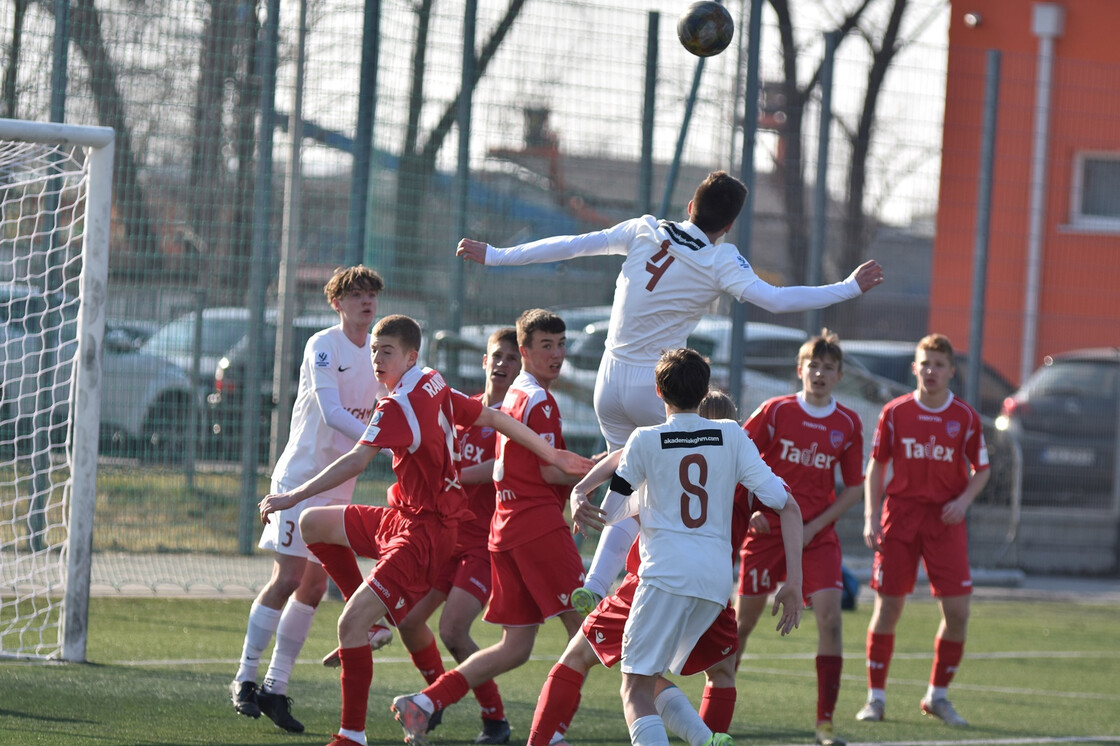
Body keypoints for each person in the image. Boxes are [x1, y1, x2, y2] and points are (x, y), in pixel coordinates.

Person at [455, 169, 884, 618]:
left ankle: (596, 582)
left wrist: (496, 255)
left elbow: (572, 243)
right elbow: (776, 300)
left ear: (689, 207)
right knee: (661, 488)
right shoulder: (721, 260)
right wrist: (848, 287)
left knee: (627, 477)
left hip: (609, 377)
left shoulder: (643, 228)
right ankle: (643, 583)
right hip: (655, 385)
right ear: (729, 226)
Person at [258, 314, 593, 746]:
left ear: (411, 355)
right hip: (411, 517)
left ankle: (352, 735)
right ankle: (397, 657)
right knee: (313, 523)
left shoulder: (398, 405)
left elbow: (357, 461)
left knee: (356, 624)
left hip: (428, 533)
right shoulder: (431, 380)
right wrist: (552, 453)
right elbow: (490, 416)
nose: (376, 359)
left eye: (386, 351)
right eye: (373, 350)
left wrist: (290, 494)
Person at [524, 385, 797, 746]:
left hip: (651, 582)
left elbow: (622, 458)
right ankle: (707, 739)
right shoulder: (739, 458)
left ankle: (541, 740)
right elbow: (788, 506)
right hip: (711, 587)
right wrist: (793, 578)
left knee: (589, 663)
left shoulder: (669, 448)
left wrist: (582, 490)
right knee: (719, 673)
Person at [390, 309, 593, 746]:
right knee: (592, 634)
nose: (556, 355)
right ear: (525, 352)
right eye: (546, 346)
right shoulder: (536, 399)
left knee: (515, 648)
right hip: (536, 529)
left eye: (561, 346)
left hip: (503, 531)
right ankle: (549, 735)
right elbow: (551, 471)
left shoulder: (516, 396)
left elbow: (505, 468)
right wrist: (614, 469)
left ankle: (426, 702)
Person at [229, 265, 384, 733]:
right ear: (337, 303)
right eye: (356, 294)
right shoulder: (323, 345)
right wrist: (387, 440)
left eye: (372, 294)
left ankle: (275, 688)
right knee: (289, 577)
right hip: (300, 477)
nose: (366, 302)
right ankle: (245, 678)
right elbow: (333, 411)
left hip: (339, 484)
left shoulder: (382, 353)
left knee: (315, 588)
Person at [735, 331, 865, 746]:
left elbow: (854, 488)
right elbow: (736, 455)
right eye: (814, 365)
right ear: (799, 369)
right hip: (768, 531)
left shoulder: (847, 423)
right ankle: (713, 714)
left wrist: (814, 526)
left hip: (818, 536)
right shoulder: (775, 411)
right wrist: (752, 509)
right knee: (742, 625)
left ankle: (825, 725)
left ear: (839, 376)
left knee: (830, 619)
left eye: (829, 368)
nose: (820, 373)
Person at [856, 333, 990, 728]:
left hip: (945, 523)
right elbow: (877, 466)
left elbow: (982, 469)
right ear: (914, 368)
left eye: (939, 364)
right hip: (900, 517)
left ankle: (938, 696)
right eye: (925, 363)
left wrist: (963, 501)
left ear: (951, 372)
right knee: (889, 607)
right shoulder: (895, 412)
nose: (931, 371)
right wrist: (869, 515)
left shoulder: (965, 417)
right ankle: (875, 699)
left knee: (958, 612)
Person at [396, 327, 521, 745]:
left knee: (452, 630)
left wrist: (450, 476)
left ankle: (494, 718)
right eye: (497, 356)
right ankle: (435, 701)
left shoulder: (512, 416)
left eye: (512, 358)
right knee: (410, 622)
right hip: (447, 536)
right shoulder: (461, 409)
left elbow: (497, 469)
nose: (503, 364)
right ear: (484, 362)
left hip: (483, 545)